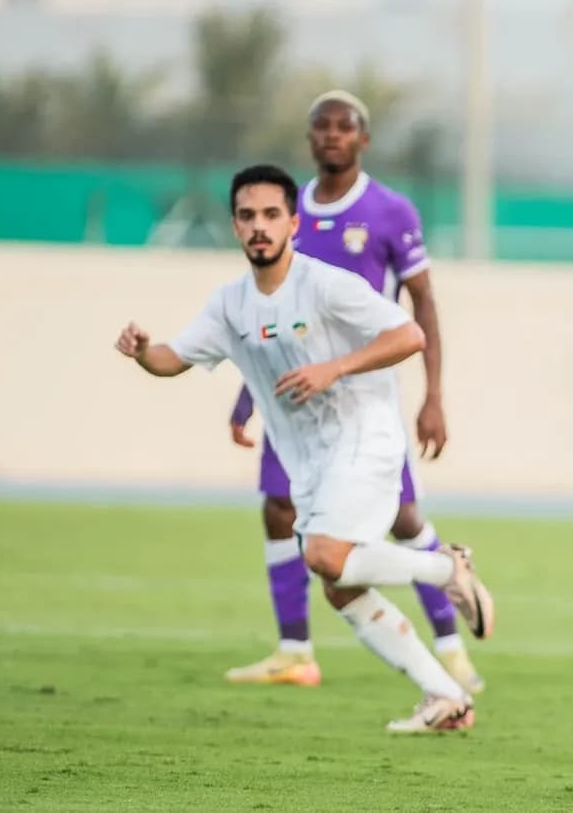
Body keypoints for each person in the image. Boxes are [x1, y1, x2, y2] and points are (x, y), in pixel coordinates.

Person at [115, 164, 495, 732]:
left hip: (365, 436)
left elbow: (408, 334)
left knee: (323, 556)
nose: (259, 227)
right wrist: (144, 350)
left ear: (294, 222)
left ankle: (447, 569)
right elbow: (174, 359)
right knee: (341, 589)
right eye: (247, 216)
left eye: (271, 215)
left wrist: (334, 368)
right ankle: (444, 695)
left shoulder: (324, 284)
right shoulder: (230, 305)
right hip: (311, 461)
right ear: (235, 226)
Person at [221, 91, 482, 696]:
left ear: (363, 140)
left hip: (365, 408)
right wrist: (246, 396)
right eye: (322, 127)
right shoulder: (288, 215)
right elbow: (272, 317)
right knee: (278, 510)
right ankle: (294, 650)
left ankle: (452, 649)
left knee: (404, 518)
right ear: (309, 138)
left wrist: (433, 395)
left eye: (345, 127)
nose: (332, 136)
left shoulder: (390, 212)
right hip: (292, 402)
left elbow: (423, 307)